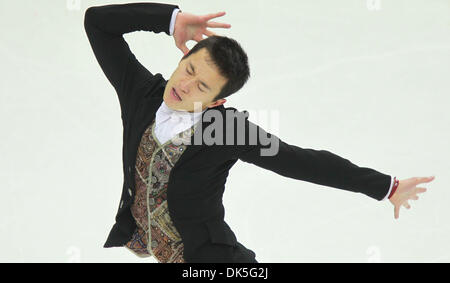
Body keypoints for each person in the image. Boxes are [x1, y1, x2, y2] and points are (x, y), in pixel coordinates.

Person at [84, 2, 435, 263]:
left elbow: (301, 162)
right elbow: (97, 23)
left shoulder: (227, 130)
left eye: (201, 85)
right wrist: (169, 20)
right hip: (152, 245)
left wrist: (385, 186)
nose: (185, 85)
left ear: (216, 101)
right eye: (188, 69)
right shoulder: (142, 94)